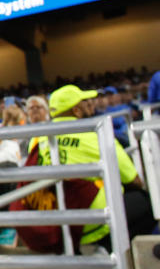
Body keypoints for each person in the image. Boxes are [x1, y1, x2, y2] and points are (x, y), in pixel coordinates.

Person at [24, 84, 153, 249]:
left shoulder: (37, 140)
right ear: (76, 110)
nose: (90, 104)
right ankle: (110, 247)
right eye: (84, 102)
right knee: (146, 201)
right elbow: (134, 179)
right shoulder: (95, 137)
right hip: (94, 220)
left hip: (57, 220)